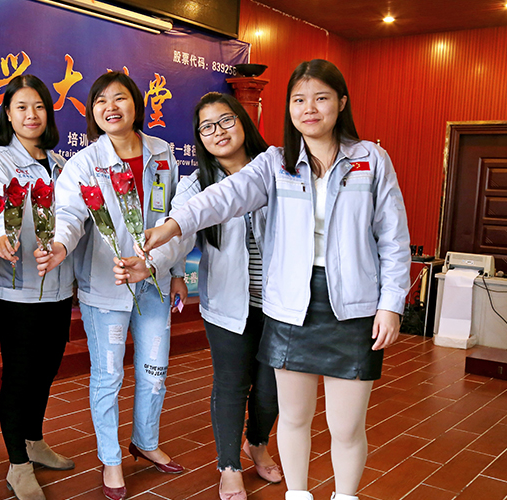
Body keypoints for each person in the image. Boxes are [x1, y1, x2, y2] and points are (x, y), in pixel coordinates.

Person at [142, 60, 410, 500]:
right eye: (299, 100)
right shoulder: (276, 163)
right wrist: (172, 226)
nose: (309, 109)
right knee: (294, 416)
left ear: (342, 103)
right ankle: (295, 493)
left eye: (321, 98)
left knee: (345, 426)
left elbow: (394, 240)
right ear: (288, 108)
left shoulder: (371, 160)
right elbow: (223, 196)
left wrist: (391, 303)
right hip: (289, 304)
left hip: (354, 306)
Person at [119, 92, 280, 500]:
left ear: (243, 121)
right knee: (231, 383)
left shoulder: (277, 167)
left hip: (280, 302)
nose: (218, 132)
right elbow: (178, 234)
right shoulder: (196, 183)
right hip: (227, 303)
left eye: (225, 121)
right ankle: (229, 465)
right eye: (207, 127)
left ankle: (257, 443)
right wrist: (150, 264)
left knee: (271, 387)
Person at [36, 71, 187, 500]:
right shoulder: (86, 163)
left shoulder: (163, 153)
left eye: (119, 98)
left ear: (136, 103)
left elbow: (178, 216)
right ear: (93, 112)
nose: (110, 107)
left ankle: (146, 441)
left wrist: (176, 271)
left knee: (154, 371)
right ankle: (111, 458)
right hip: (107, 285)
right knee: (108, 376)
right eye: (100, 101)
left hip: (154, 281)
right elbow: (69, 214)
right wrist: (60, 245)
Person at [0, 75, 75, 500]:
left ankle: (34, 441)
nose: (31, 115)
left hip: (59, 288)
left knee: (47, 370)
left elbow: (74, 216)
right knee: (20, 375)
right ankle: (18, 465)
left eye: (39, 106)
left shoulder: (62, 165)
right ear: (8, 114)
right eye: (21, 107)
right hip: (18, 289)